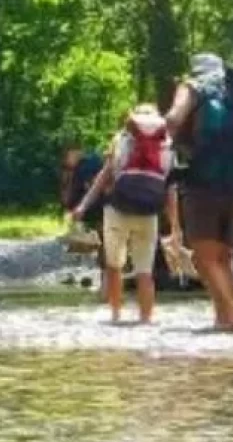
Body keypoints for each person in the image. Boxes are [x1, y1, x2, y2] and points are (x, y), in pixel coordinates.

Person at [166, 53, 233, 332]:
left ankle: (231, 315)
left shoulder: (193, 87)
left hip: (203, 179)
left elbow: (173, 118)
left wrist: (168, 143)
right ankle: (222, 316)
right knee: (224, 254)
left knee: (204, 256)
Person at [70, 105, 182, 324]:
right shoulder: (166, 145)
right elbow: (170, 189)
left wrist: (83, 206)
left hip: (117, 211)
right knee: (144, 270)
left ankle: (115, 315)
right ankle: (146, 319)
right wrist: (176, 225)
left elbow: (104, 177)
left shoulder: (122, 139)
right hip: (149, 213)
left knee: (114, 266)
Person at [61, 143, 108, 292]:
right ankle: (105, 282)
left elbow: (92, 186)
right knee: (103, 246)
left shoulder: (86, 166)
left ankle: (106, 283)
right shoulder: (77, 168)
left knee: (104, 246)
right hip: (96, 210)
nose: (67, 161)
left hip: (99, 210)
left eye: (67, 156)